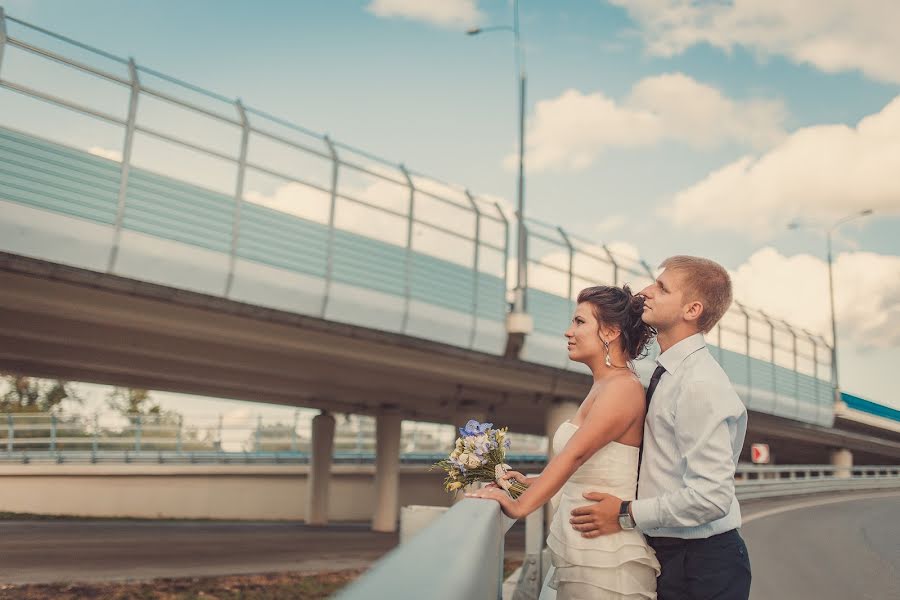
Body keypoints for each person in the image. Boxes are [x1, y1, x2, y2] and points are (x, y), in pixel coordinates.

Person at [567, 256, 751, 600]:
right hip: (668, 554)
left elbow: (712, 498)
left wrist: (626, 513)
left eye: (662, 288)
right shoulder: (662, 372)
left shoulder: (700, 384)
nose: (646, 292)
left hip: (704, 564)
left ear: (692, 309)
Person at [466, 284, 660, 599]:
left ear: (610, 331)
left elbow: (575, 456)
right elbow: (591, 464)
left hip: (606, 560)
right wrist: (532, 482)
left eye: (580, 322)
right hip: (583, 547)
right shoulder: (602, 386)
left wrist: (519, 507)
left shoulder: (622, 388)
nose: (568, 332)